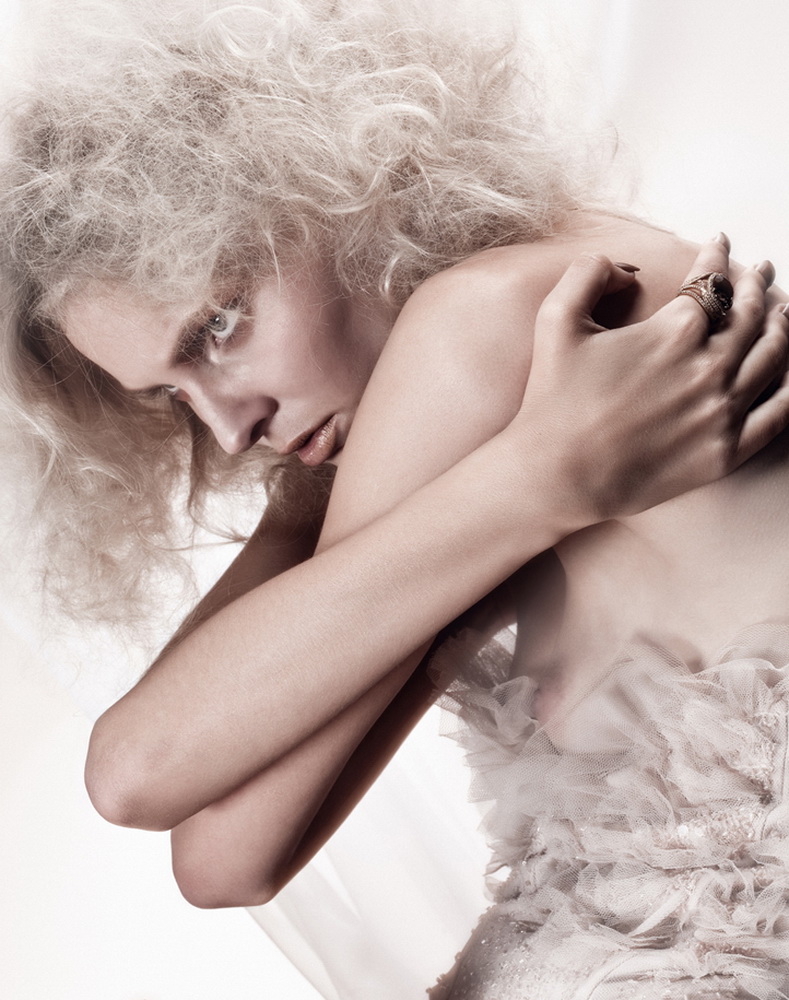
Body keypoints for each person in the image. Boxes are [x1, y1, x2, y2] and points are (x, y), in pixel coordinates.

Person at [2, 1, 788, 995]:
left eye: (218, 328)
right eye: (172, 394)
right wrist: (527, 487)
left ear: (324, 181)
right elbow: (222, 859)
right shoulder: (520, 357)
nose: (228, 428)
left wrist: (532, 484)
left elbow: (137, 773)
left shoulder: (490, 322)